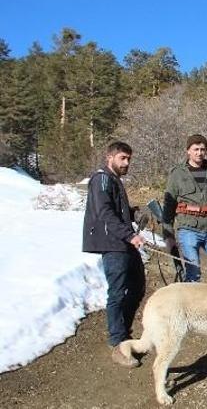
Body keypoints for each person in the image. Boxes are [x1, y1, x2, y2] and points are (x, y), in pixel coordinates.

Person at [82, 141, 146, 366]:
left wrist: (132, 212)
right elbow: (105, 213)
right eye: (123, 158)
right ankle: (118, 344)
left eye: (129, 158)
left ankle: (123, 334)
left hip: (123, 242)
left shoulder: (113, 180)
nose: (127, 162)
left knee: (137, 287)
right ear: (110, 157)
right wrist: (130, 235)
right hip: (113, 244)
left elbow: (116, 210)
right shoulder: (101, 179)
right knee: (117, 292)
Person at [162, 134, 207, 282]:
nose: (199, 152)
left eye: (203, 149)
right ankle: (192, 305)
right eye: (195, 149)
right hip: (188, 229)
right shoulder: (177, 173)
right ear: (188, 151)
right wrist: (168, 235)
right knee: (193, 273)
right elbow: (169, 206)